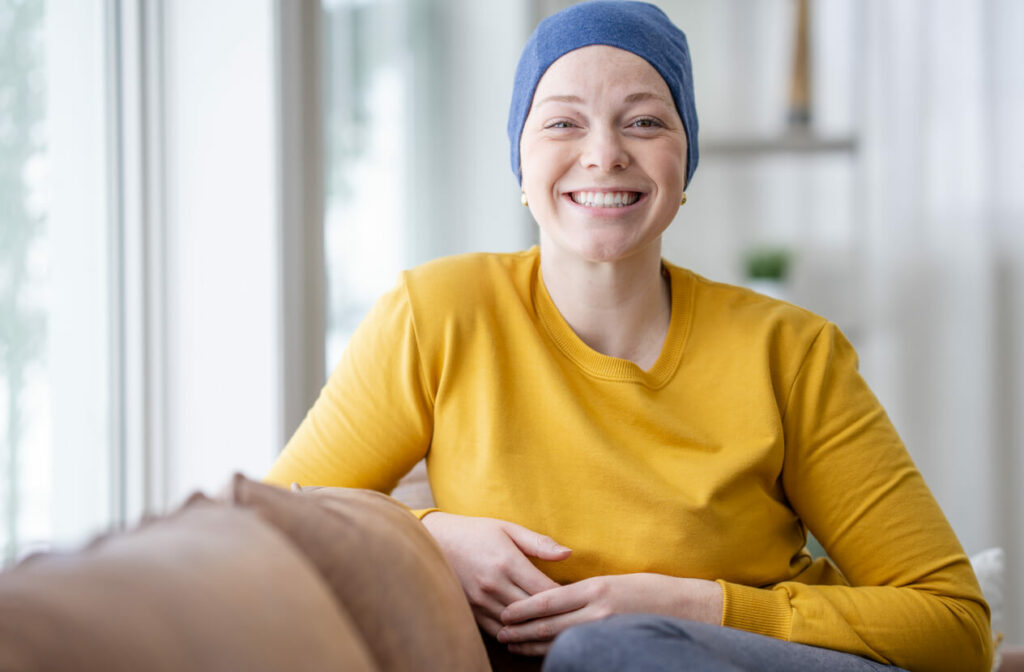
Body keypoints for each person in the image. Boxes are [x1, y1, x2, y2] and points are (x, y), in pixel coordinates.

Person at [265, 2, 992, 670]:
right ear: (521, 161)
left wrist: (696, 606)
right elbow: (277, 513)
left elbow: (955, 625)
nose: (605, 153)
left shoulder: (791, 351)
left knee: (606, 651)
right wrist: (429, 534)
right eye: (562, 122)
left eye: (644, 121)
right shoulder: (436, 316)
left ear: (686, 162)